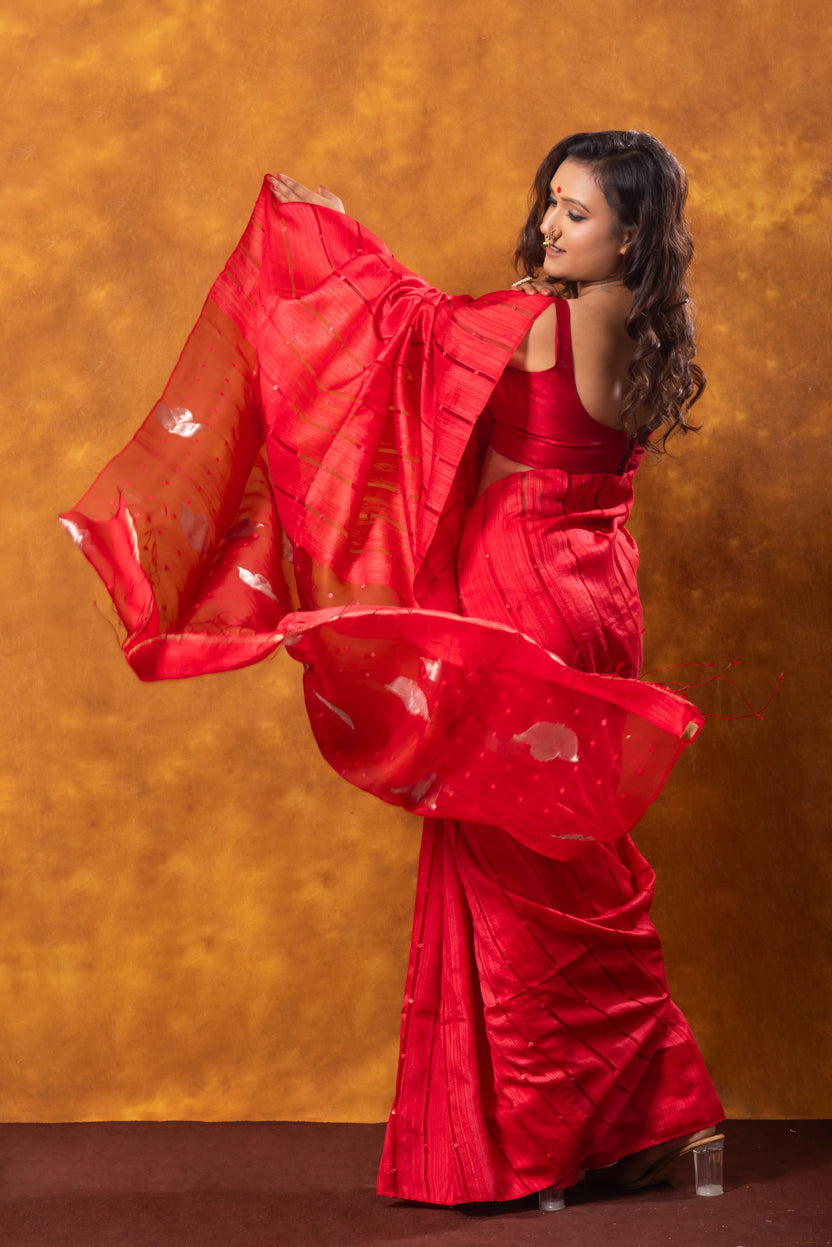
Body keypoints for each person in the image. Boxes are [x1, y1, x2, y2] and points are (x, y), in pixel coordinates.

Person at [61, 130, 724, 1210]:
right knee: (569, 853)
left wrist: (315, 234)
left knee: (516, 866)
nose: (551, 225)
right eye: (549, 203)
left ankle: (574, 1132)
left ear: (632, 232)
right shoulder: (641, 323)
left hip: (516, 590)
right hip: (596, 587)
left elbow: (399, 329)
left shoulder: (545, 321)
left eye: (577, 213)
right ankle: (650, 1118)